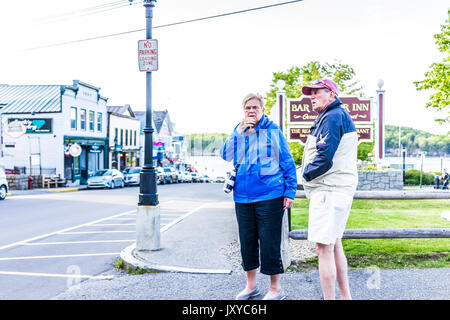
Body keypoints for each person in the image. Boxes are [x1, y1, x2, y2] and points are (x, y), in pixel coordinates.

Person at [221, 93, 297, 300]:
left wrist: (290, 191)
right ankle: (251, 286)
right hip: (243, 197)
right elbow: (225, 155)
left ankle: (275, 289)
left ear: (262, 109)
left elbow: (288, 162)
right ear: (243, 111)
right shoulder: (239, 130)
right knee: (247, 242)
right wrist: (237, 133)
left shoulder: (273, 131)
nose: (251, 111)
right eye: (247, 108)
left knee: (269, 242)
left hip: (270, 195)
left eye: (255, 107)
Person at [299, 79, 358, 300]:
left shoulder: (332, 116)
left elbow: (324, 159)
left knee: (323, 249)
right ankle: (345, 297)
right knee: (334, 246)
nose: (311, 96)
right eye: (310, 93)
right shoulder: (337, 115)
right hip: (337, 190)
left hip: (328, 190)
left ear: (331, 94)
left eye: (316, 92)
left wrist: (303, 175)